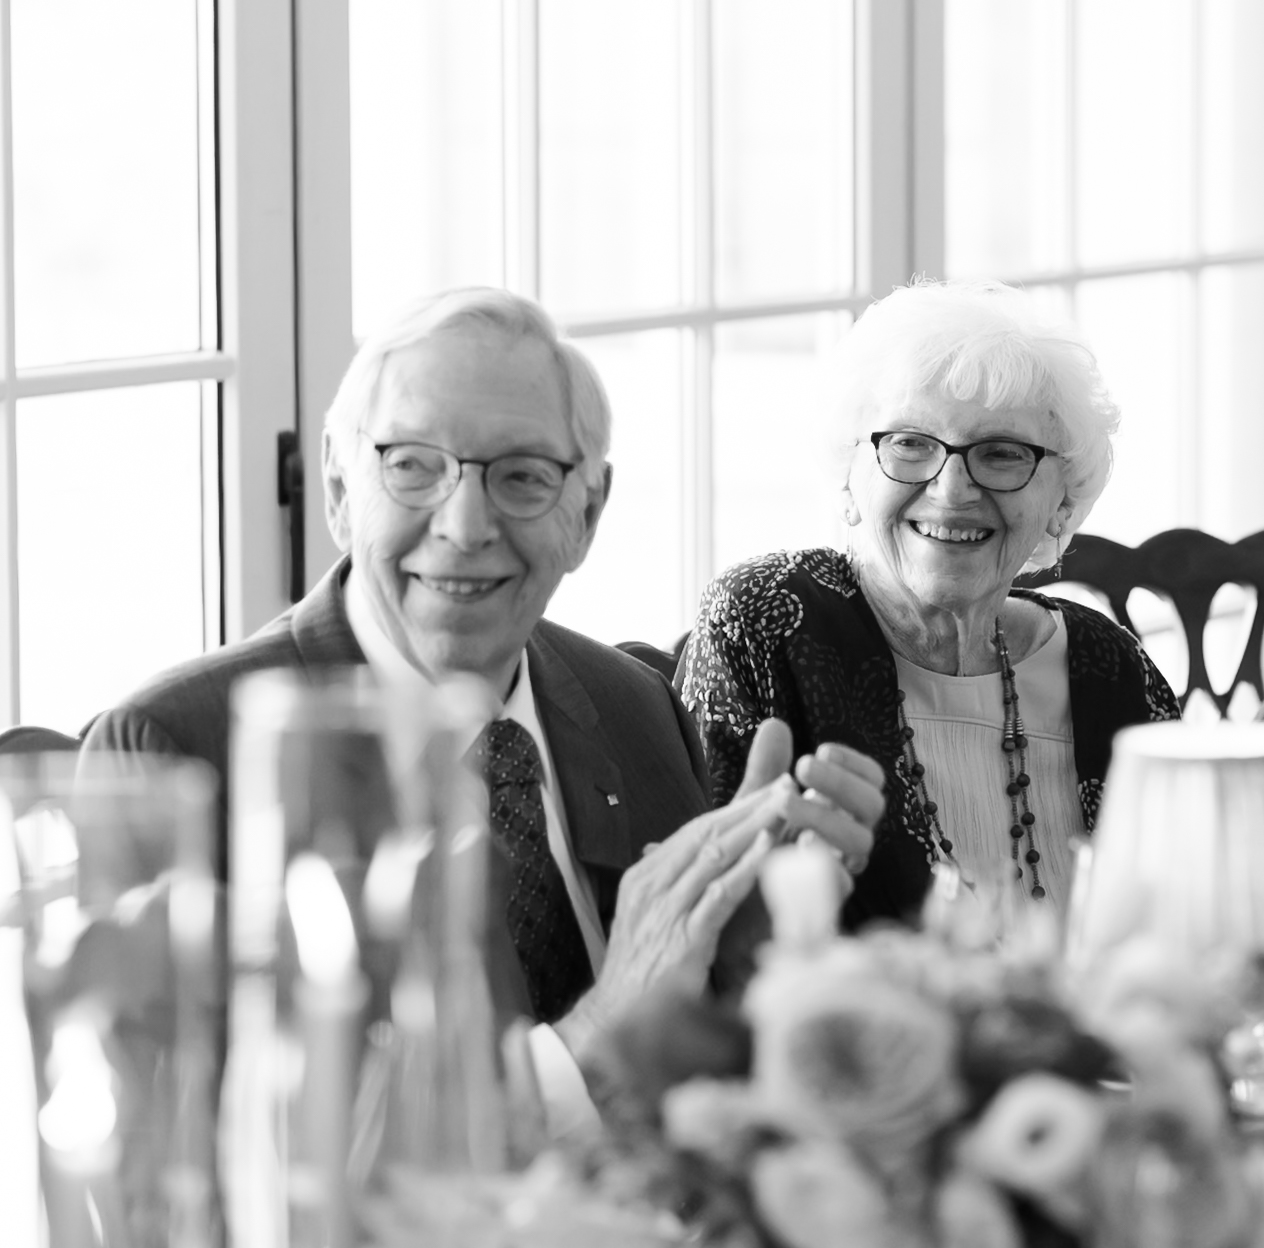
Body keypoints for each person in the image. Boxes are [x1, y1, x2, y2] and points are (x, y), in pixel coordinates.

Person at [84, 289, 885, 1099]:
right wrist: (595, 1033)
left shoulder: (637, 707)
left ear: (588, 512)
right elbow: (204, 1160)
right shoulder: (173, 753)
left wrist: (743, 939)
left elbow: (688, 1081)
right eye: (412, 467)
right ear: (337, 486)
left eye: (522, 477)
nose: (465, 526)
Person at [677, 279, 1177, 936]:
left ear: (1062, 501)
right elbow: (698, 934)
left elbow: (1198, 930)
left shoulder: (1111, 668)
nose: (951, 489)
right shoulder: (770, 623)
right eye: (910, 444)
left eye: (1002, 453)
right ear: (849, 477)